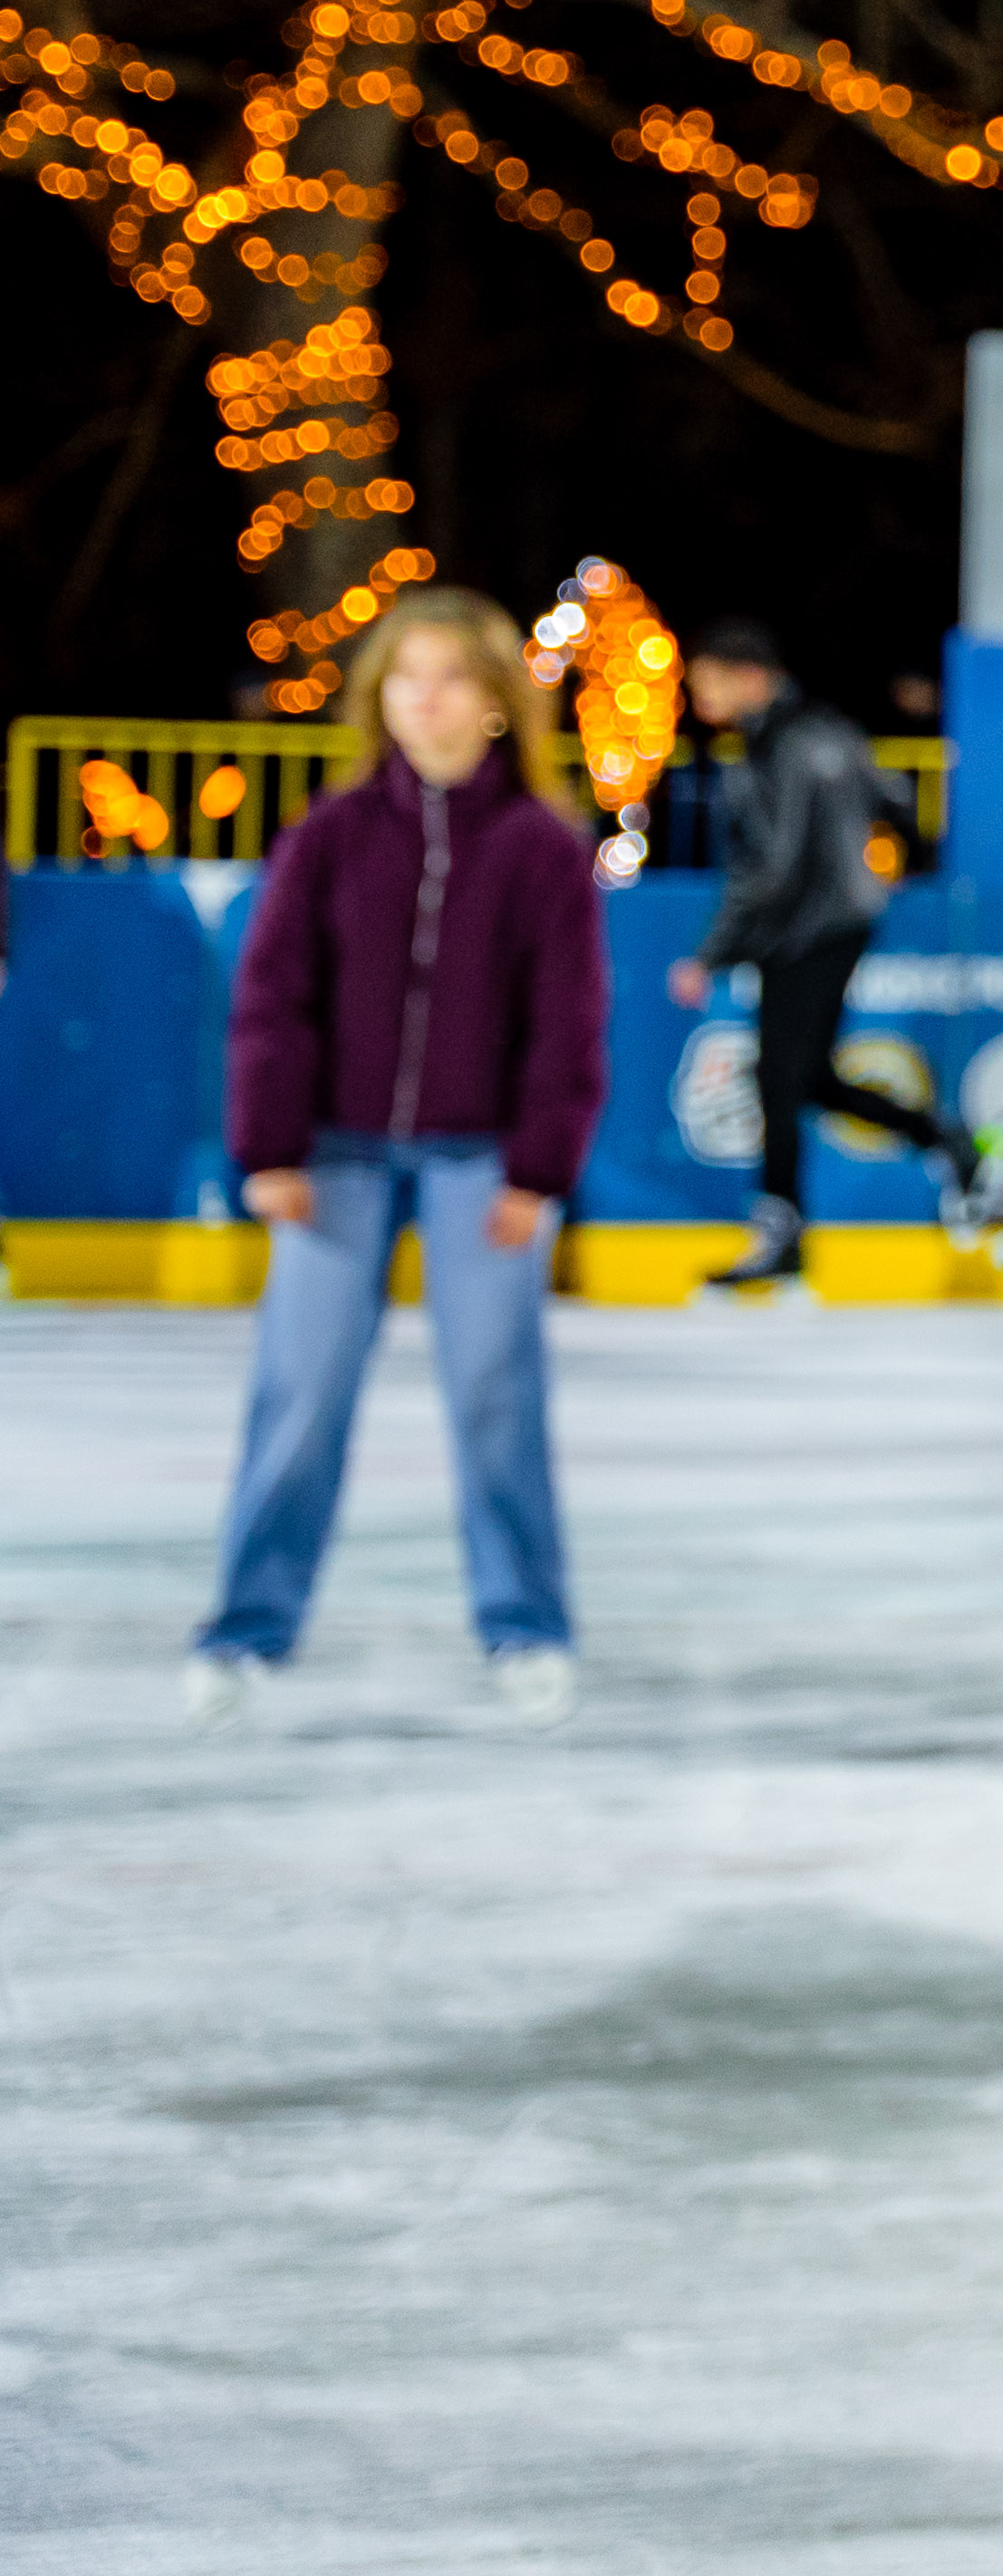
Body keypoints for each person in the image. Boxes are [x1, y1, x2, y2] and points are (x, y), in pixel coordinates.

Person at [187, 589, 605, 1732]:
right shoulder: (326, 836)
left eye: (451, 678)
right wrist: (269, 1146)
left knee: (494, 1394)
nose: (425, 699)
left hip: (484, 1163)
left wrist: (537, 1169)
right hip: (333, 1156)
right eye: (405, 678)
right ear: (379, 700)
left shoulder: (539, 849)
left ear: (495, 705)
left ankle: (527, 1623)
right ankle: (246, 1626)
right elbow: (272, 1000)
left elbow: (565, 1021)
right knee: (302, 1392)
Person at [669, 617, 955, 1288]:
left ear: (748, 676)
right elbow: (899, 802)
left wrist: (711, 954)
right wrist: (902, 864)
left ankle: (781, 1231)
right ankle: (941, 1139)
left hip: (805, 929)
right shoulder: (830, 731)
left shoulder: (781, 744)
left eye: (705, 681)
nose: (698, 698)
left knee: (782, 1079)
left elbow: (774, 866)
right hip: (834, 921)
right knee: (804, 1077)